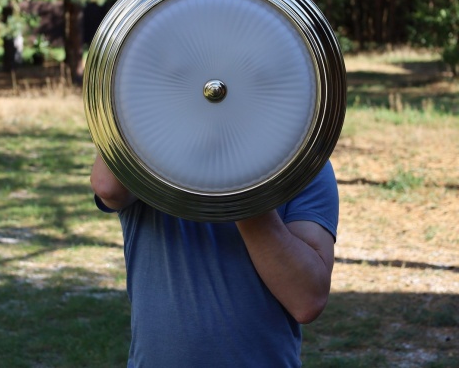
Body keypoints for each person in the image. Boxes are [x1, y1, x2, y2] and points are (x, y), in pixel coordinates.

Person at [90, 152, 338, 368]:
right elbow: (108, 187)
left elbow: (306, 300)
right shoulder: (147, 148)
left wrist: (240, 188)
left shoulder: (303, 159)